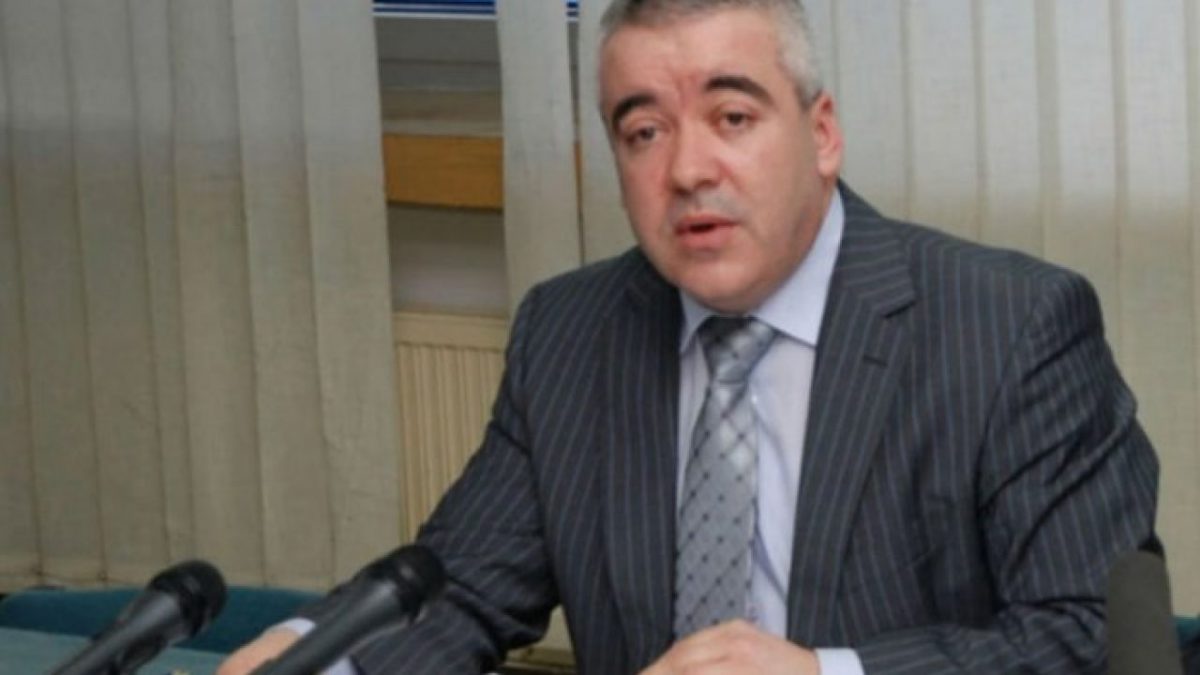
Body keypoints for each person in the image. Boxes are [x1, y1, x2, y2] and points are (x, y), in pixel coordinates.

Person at [220, 0, 1160, 673]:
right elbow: (460, 588)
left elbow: (1095, 634)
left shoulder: (1009, 325)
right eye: (644, 132)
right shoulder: (569, 332)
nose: (686, 169)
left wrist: (825, 674)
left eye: (732, 116)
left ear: (822, 133)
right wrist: (315, 653)